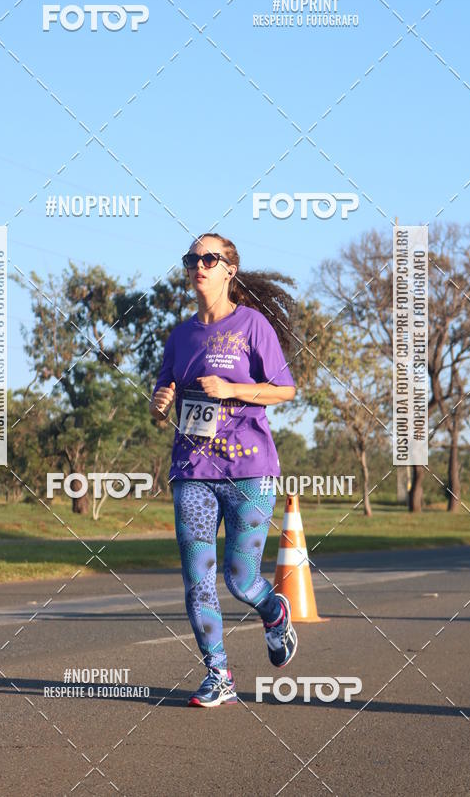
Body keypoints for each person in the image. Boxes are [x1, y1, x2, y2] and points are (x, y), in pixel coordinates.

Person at [149, 233, 299, 707]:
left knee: (239, 579)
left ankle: (274, 611)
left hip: (249, 469)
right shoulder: (180, 334)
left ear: (228, 269)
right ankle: (219, 674)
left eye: (208, 258)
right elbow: (160, 400)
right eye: (192, 258)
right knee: (197, 580)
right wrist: (160, 402)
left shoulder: (253, 325)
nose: (198, 265)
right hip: (192, 467)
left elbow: (284, 390)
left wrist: (233, 389)